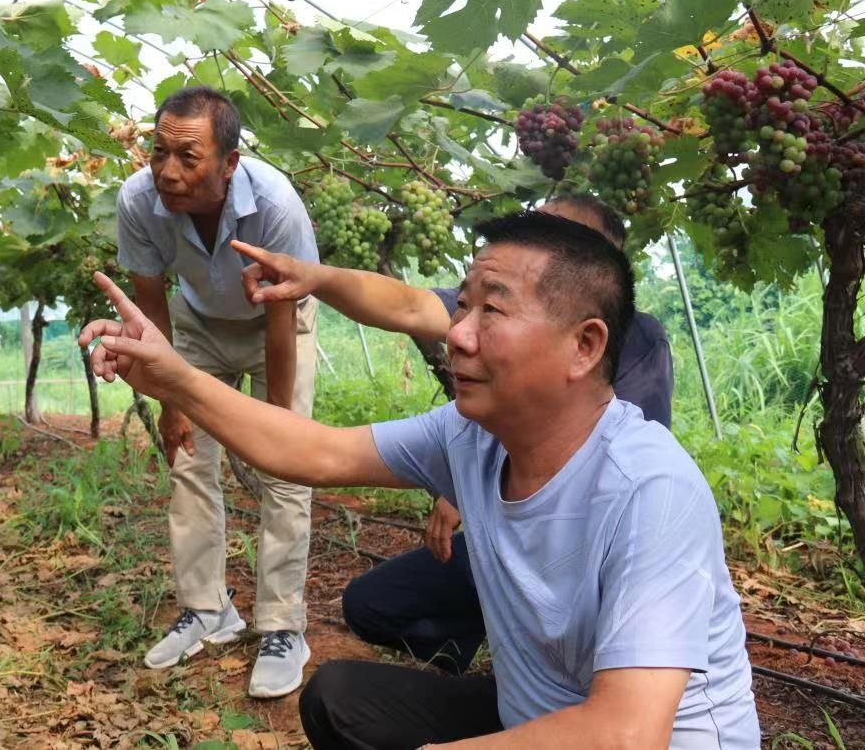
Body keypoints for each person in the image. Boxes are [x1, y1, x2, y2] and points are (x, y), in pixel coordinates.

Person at [80, 211, 758, 748]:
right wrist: (177, 378)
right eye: (461, 307)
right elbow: (314, 451)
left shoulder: (649, 487)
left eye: (492, 310)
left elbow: (624, 735)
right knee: (341, 699)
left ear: (584, 345)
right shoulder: (470, 435)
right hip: (538, 713)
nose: (458, 334)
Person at [235, 194, 674, 674]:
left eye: (557, 239)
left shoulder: (647, 477)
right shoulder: (487, 321)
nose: (461, 334)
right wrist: (314, 278)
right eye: (466, 308)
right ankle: (494, 660)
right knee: (368, 611)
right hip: (505, 542)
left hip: (581, 551)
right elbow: (406, 308)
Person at [114, 86, 320, 698]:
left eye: (188, 158)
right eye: (159, 153)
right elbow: (150, 310)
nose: (167, 173)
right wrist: (171, 402)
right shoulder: (137, 201)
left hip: (274, 326)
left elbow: (281, 315)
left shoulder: (276, 204)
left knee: (287, 468)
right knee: (188, 461)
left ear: (230, 163)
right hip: (195, 327)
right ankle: (208, 610)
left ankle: (284, 624)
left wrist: (277, 423)